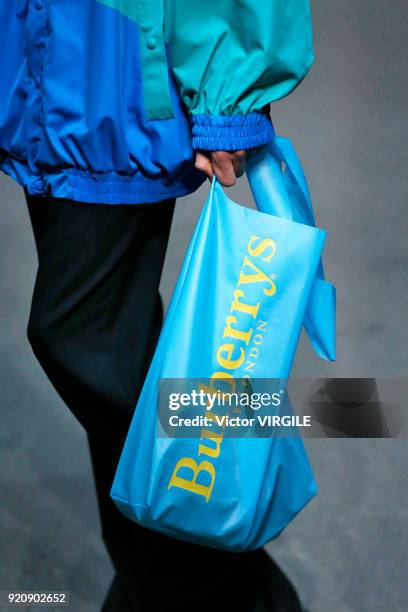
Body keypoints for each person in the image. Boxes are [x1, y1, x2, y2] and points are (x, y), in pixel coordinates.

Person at [0, 1, 313, 610]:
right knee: (120, 334)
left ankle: (230, 586)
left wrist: (230, 85)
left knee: (80, 334)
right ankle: (154, 582)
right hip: (46, 54)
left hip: (117, 61)